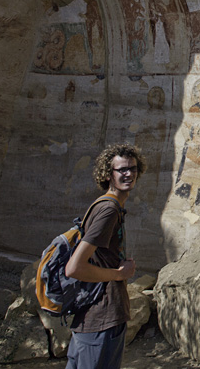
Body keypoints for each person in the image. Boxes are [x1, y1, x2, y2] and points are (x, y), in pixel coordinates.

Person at [64, 144, 146, 369]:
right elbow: (74, 267)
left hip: (94, 317)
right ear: (108, 174)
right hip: (101, 317)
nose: (128, 174)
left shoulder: (111, 206)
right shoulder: (108, 210)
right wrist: (119, 274)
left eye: (132, 168)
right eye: (121, 170)